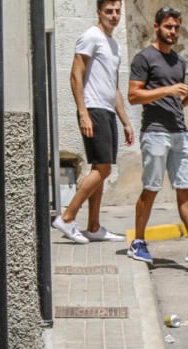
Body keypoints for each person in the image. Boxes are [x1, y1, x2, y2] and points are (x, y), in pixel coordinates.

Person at [125, 6, 188, 267]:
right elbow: (134, 96)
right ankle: (137, 242)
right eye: (169, 27)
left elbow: (175, 103)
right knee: (151, 189)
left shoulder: (179, 62)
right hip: (155, 133)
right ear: (156, 27)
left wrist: (186, 99)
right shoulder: (143, 58)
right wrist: (168, 89)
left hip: (180, 132)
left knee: (186, 192)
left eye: (177, 27)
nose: (173, 32)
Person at [51, 0, 133, 244]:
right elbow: (76, 75)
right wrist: (83, 112)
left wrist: (126, 122)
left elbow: (114, 88)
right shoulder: (91, 36)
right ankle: (66, 218)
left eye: (117, 11)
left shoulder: (115, 46)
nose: (114, 16)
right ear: (99, 12)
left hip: (107, 111)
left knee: (101, 169)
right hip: (93, 109)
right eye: (109, 11)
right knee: (103, 169)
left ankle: (94, 226)